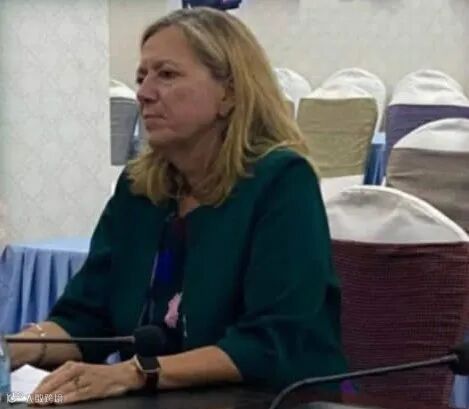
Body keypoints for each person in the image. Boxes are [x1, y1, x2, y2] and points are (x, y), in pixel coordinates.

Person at [8, 7, 346, 405]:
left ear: (229, 92)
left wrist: (135, 373)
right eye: (141, 77)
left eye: (166, 74)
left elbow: (271, 342)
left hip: (270, 399)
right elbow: (85, 316)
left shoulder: (282, 181)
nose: (144, 92)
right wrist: (14, 349)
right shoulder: (139, 189)